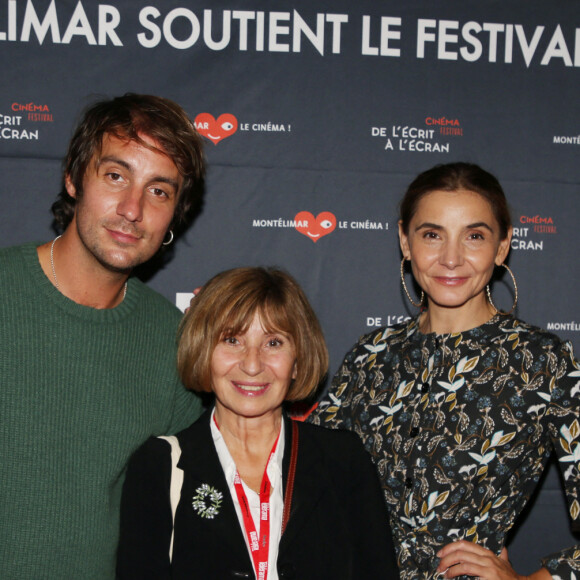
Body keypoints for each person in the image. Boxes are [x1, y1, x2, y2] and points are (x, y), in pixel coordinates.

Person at [309, 162, 580, 579]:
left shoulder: (542, 361)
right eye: (432, 235)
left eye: (474, 236)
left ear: (502, 246)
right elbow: (308, 482)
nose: (451, 258)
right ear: (405, 240)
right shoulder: (371, 355)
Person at [0, 94, 205, 579]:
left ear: (175, 213)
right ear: (74, 179)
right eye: (116, 176)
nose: (132, 209)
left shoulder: (173, 343)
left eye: (159, 191)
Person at [117, 267, 398, 579]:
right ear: (203, 351)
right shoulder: (159, 466)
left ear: (297, 360)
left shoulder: (343, 460)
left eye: (273, 342)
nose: (252, 364)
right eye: (232, 339)